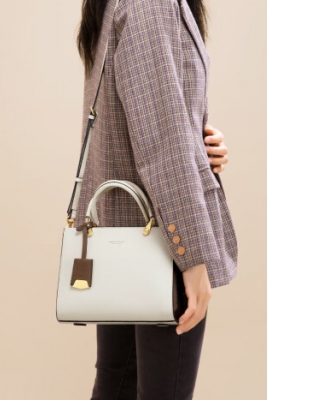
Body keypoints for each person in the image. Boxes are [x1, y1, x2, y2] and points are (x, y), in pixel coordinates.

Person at [73, 0, 238, 398]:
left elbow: (145, 117)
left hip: (123, 238)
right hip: (162, 241)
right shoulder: (151, 3)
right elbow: (162, 144)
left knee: (116, 385)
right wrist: (192, 256)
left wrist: (198, 139)